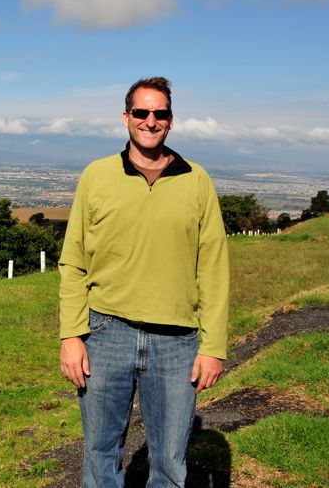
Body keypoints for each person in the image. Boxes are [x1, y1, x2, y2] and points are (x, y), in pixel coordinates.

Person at [58, 76, 229, 487]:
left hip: (177, 341)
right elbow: (74, 261)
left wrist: (214, 347)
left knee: (170, 463)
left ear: (171, 120)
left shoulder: (197, 180)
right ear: (125, 117)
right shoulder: (96, 176)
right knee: (100, 456)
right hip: (105, 333)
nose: (150, 121)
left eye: (160, 113)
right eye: (142, 112)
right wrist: (71, 336)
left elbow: (214, 267)